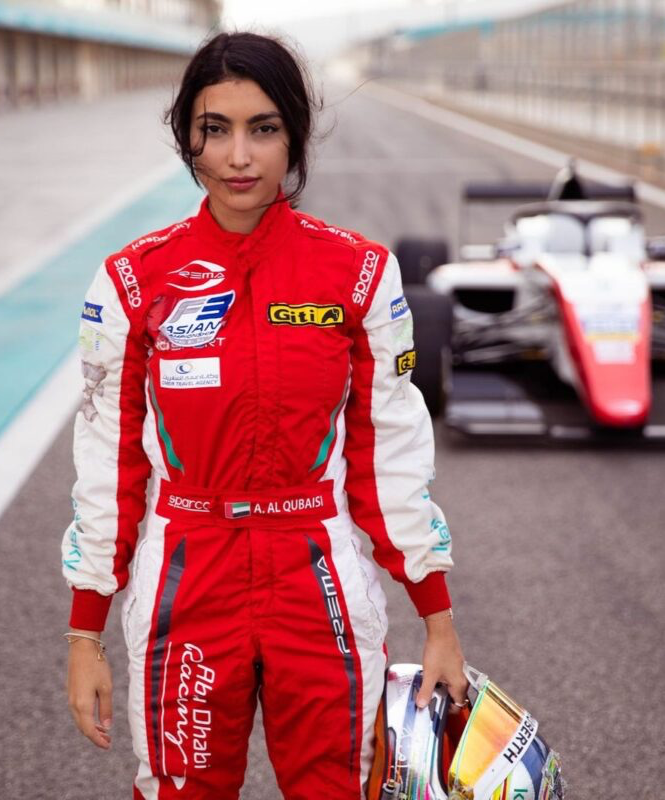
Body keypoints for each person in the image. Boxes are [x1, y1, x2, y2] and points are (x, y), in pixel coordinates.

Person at [61, 31, 466, 799]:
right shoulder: (132, 281)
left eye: (264, 129)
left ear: (295, 137)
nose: (239, 156)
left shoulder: (360, 274)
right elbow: (110, 460)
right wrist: (85, 632)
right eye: (215, 130)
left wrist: (437, 619)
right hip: (187, 570)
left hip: (316, 574)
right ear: (188, 136)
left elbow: (391, 458)